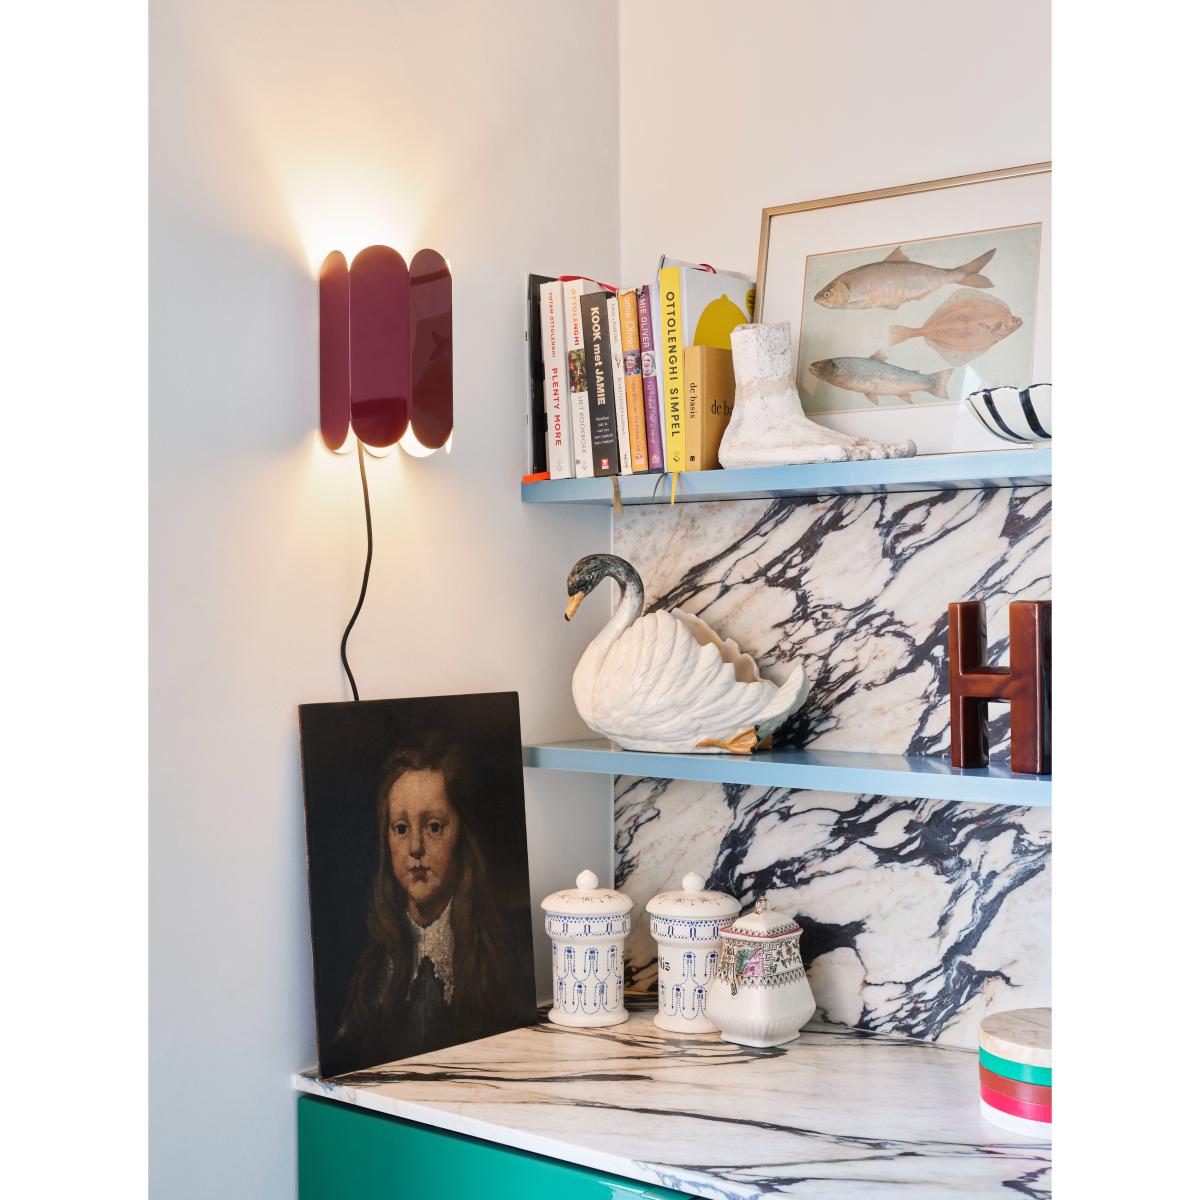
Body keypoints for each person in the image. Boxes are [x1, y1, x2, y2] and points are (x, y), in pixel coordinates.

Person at [334, 730, 530, 1068]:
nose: (415, 848)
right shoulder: (373, 970)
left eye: (434, 827)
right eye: (401, 828)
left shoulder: (498, 955)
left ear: (462, 833)